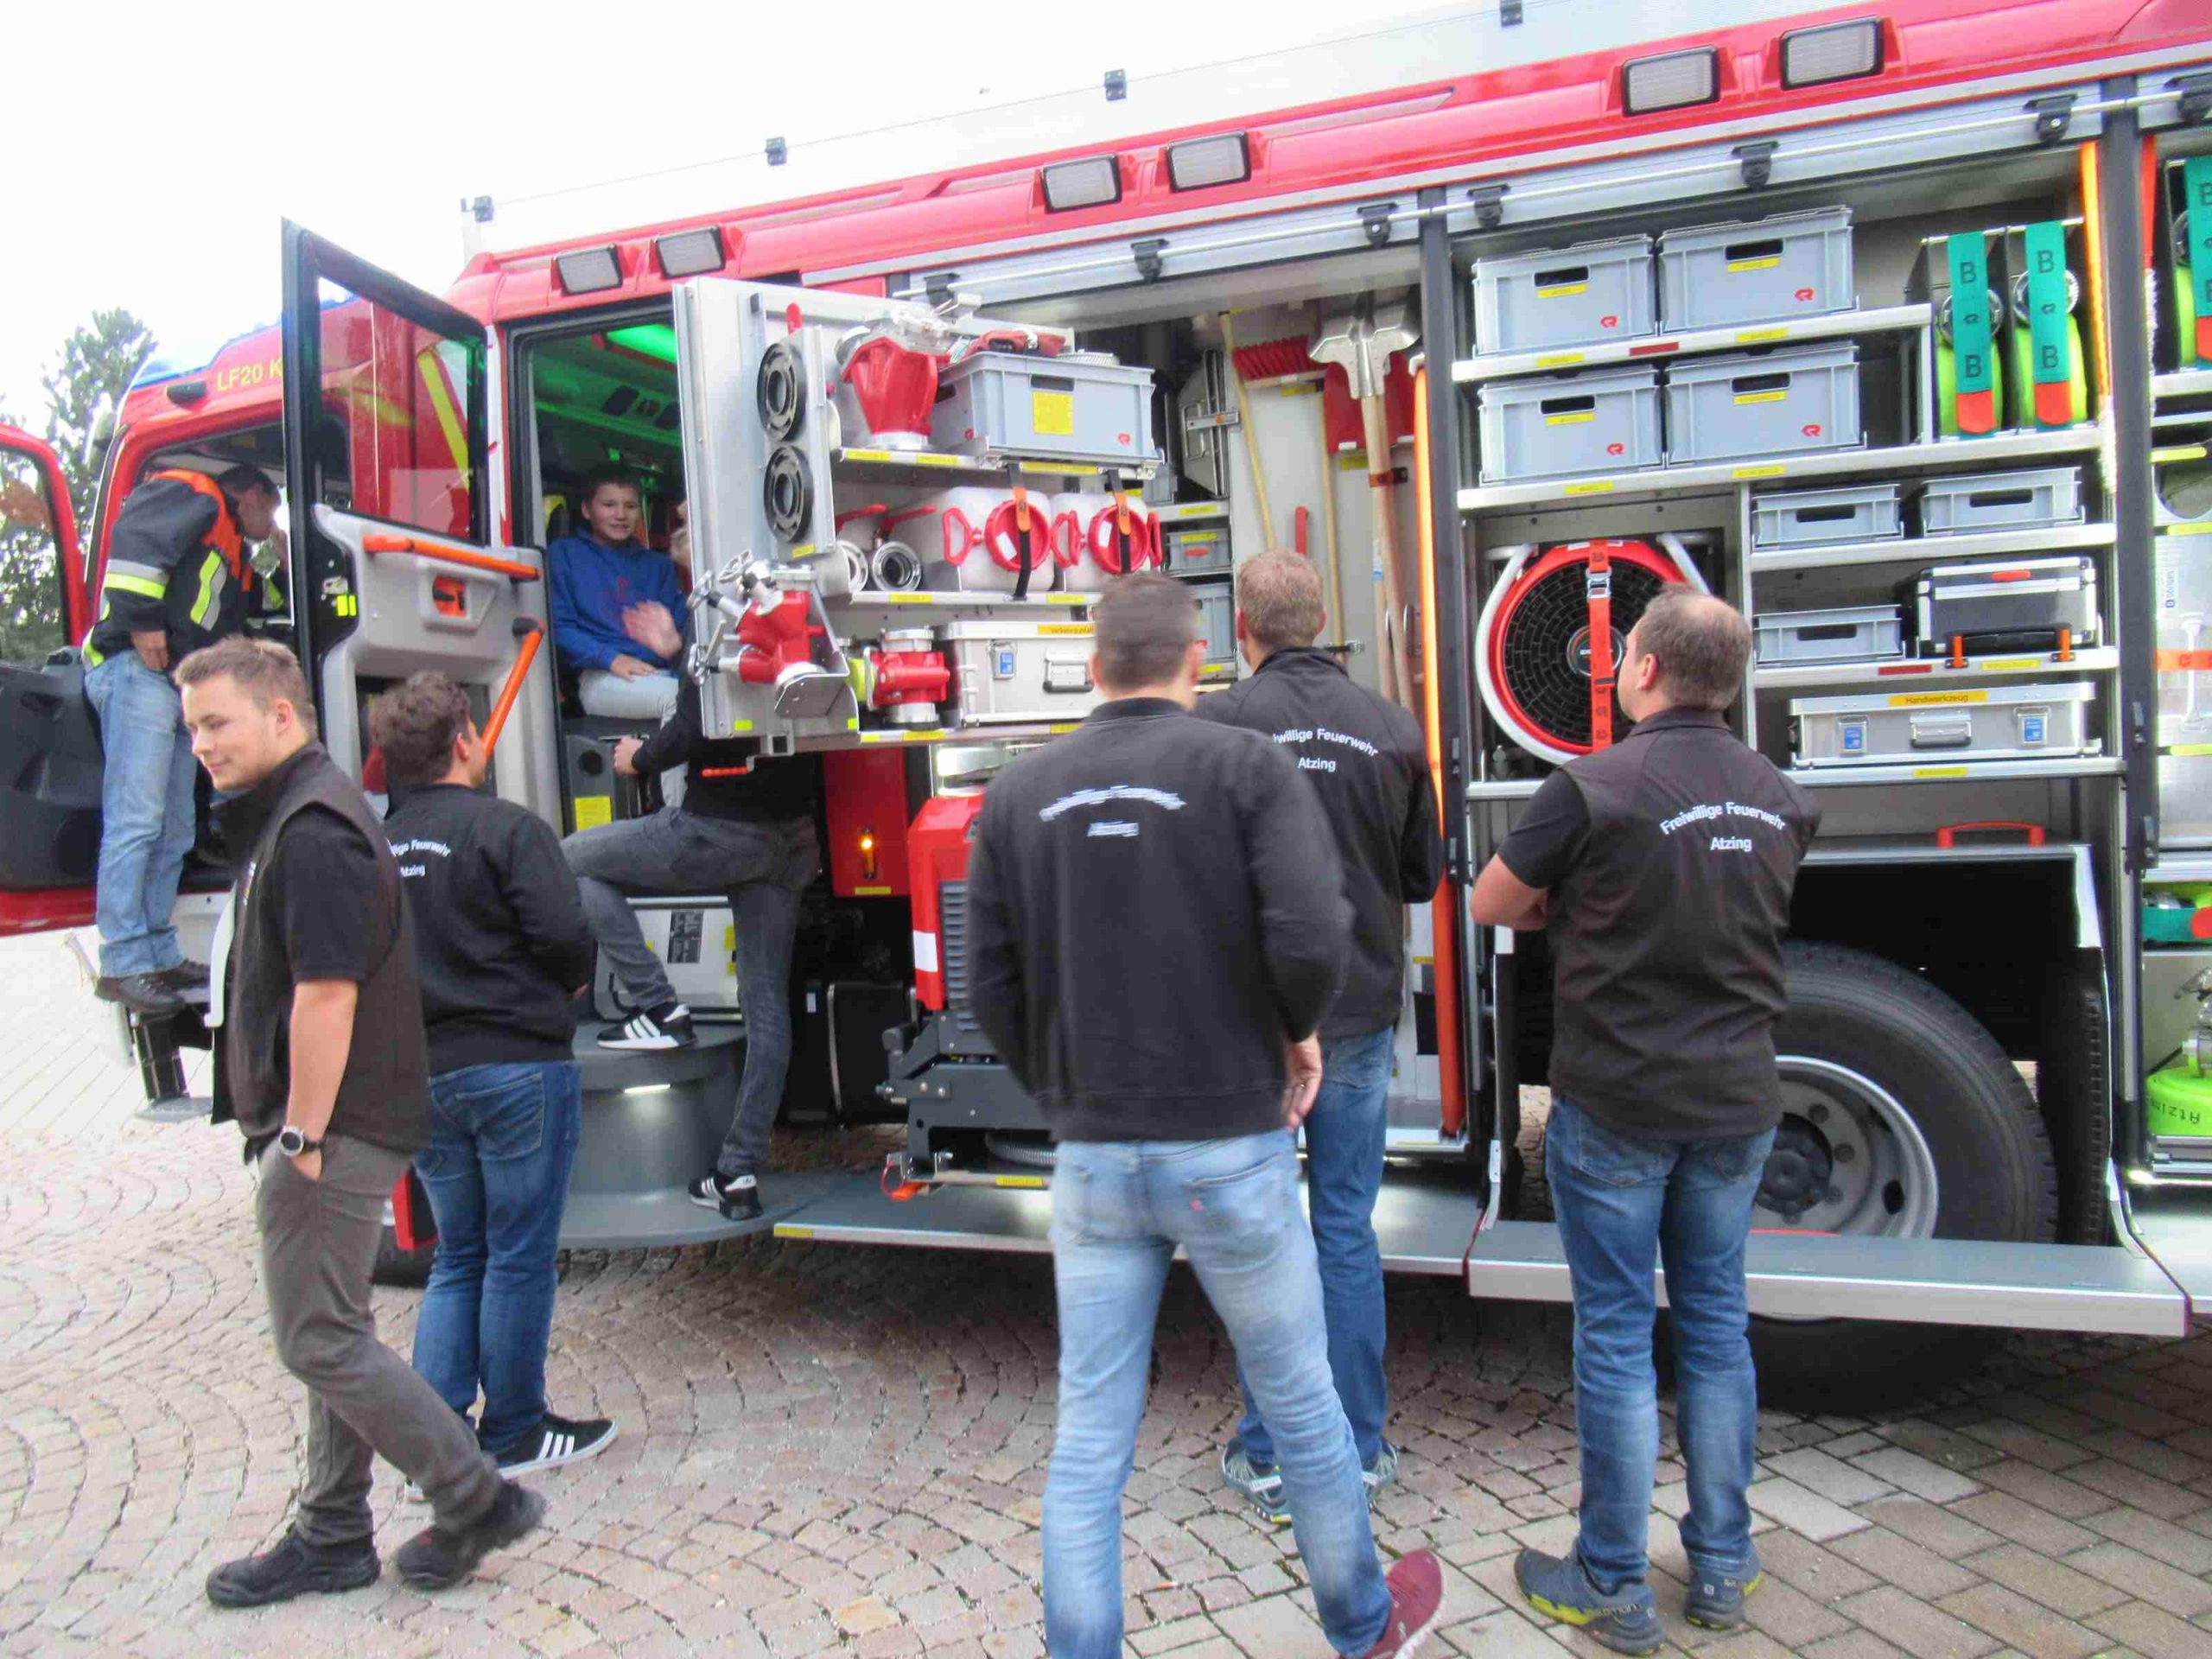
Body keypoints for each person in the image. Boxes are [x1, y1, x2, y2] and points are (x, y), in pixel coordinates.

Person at [963, 572, 1441, 1659]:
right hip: (1229, 1142)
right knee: (1302, 1405)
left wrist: (1059, 1086)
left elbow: (988, 980)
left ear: (1094, 669)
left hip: (1092, 1155)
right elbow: (1312, 934)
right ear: (1196, 660)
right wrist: (1294, 1031)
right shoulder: (1243, 766)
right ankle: (1363, 1626)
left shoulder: (1019, 790)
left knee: (1090, 1437)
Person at [1468, 592, 1816, 1655]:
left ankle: (1610, 1582)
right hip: (1736, 1105)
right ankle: (1722, 1565)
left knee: (1616, 1338)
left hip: (1618, 1103)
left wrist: (1568, 908)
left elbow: (1490, 901)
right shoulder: (1779, 796)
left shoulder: (1591, 787)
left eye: (1623, 657)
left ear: (1648, 669)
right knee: (1714, 1327)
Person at [177, 639, 543, 1607]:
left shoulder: (314, 831)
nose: (201, 744)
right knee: (334, 1331)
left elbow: (327, 995)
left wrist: (299, 1136)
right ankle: (333, 1535)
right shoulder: (299, 815)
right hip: (338, 1123)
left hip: (331, 1129)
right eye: (192, 728)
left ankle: (474, 1496)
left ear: (281, 717)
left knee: (316, 1340)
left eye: (216, 723)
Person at [1196, 550, 1443, 1525]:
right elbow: (1421, 875)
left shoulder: (1217, 725)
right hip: (1359, 1009)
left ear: (1243, 628)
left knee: (1264, 1236)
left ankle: (1271, 1454)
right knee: (1345, 1226)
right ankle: (1362, 1448)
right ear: (1321, 619)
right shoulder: (1390, 726)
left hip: (1253, 1024)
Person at [370, 673, 616, 1482]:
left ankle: (440, 1445)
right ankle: (515, 1432)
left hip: (421, 1076)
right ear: (465, 740)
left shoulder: (373, 846)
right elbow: (564, 937)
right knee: (517, 1256)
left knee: (458, 1254)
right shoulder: (507, 828)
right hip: (516, 1067)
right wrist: (565, 986)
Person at [562, 672, 821, 1222]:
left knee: (566, 860)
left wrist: (639, 758)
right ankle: (737, 1173)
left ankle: (658, 1007)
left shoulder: (714, 627)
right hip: (793, 837)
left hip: (715, 830)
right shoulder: (804, 638)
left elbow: (693, 720)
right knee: (767, 1009)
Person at [83, 463, 282, 1016]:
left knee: (173, 828)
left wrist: (284, 559)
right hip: (135, 668)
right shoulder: (198, 493)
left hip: (174, 684)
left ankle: (159, 955)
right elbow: (137, 539)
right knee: (137, 819)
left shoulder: (236, 555)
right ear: (252, 493)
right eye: (273, 508)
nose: (273, 521)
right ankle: (124, 961)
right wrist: (143, 621)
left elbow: (256, 615)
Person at [546, 467, 687, 721]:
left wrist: (674, 646)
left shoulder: (659, 565)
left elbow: (679, 627)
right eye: (609, 505)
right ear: (587, 510)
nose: (621, 515)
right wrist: (611, 659)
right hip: (600, 674)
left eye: (630, 506)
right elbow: (558, 628)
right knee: (680, 701)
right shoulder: (563, 555)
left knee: (712, 699)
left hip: (663, 672)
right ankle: (651, 752)